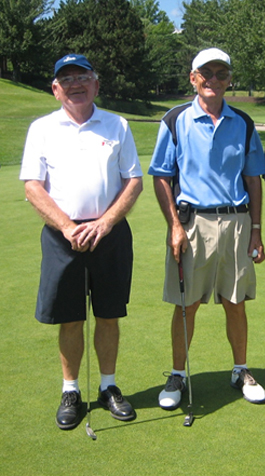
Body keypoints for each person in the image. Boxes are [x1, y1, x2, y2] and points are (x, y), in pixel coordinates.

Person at [20, 54, 143, 430]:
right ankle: (70, 390)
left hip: (110, 235)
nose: (75, 84)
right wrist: (67, 227)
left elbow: (133, 180)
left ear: (96, 84)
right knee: (70, 317)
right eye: (66, 79)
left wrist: (105, 223)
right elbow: (33, 186)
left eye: (83, 77)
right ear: (55, 89)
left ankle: (108, 387)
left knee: (108, 314)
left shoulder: (117, 124)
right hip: (63, 238)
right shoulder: (42, 128)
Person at [149, 48, 265, 409]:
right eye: (206, 73)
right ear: (193, 78)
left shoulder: (244, 123)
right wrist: (173, 226)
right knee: (187, 305)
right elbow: (162, 177)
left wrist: (257, 230)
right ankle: (178, 374)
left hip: (236, 221)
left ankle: (241, 369)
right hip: (192, 223)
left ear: (229, 79)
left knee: (236, 302)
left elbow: (253, 179)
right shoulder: (174, 119)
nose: (213, 80)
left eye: (221, 73)